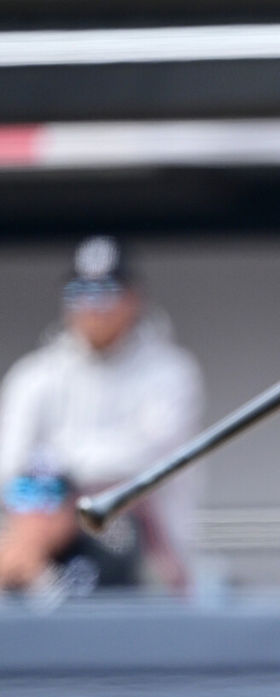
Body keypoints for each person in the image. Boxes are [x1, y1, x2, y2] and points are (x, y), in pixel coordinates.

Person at [0, 235, 204, 594]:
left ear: (133, 298)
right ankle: (35, 580)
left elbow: (144, 464)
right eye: (81, 292)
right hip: (52, 544)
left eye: (107, 291)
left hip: (151, 555)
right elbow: (11, 468)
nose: (94, 306)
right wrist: (54, 494)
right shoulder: (35, 375)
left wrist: (66, 478)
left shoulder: (170, 372)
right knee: (26, 530)